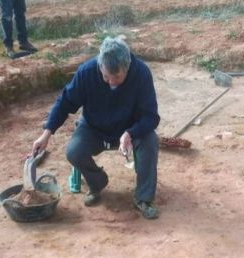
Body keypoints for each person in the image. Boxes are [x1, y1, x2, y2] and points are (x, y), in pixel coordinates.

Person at [31, 37, 161, 219]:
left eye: (117, 77)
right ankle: (97, 183)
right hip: (94, 128)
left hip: (130, 128)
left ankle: (144, 198)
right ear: (100, 66)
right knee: (73, 151)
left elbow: (151, 116)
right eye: (106, 76)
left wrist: (131, 132)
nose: (111, 83)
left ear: (128, 66)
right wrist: (46, 134)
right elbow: (65, 103)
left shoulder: (141, 73)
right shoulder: (87, 72)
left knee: (150, 141)